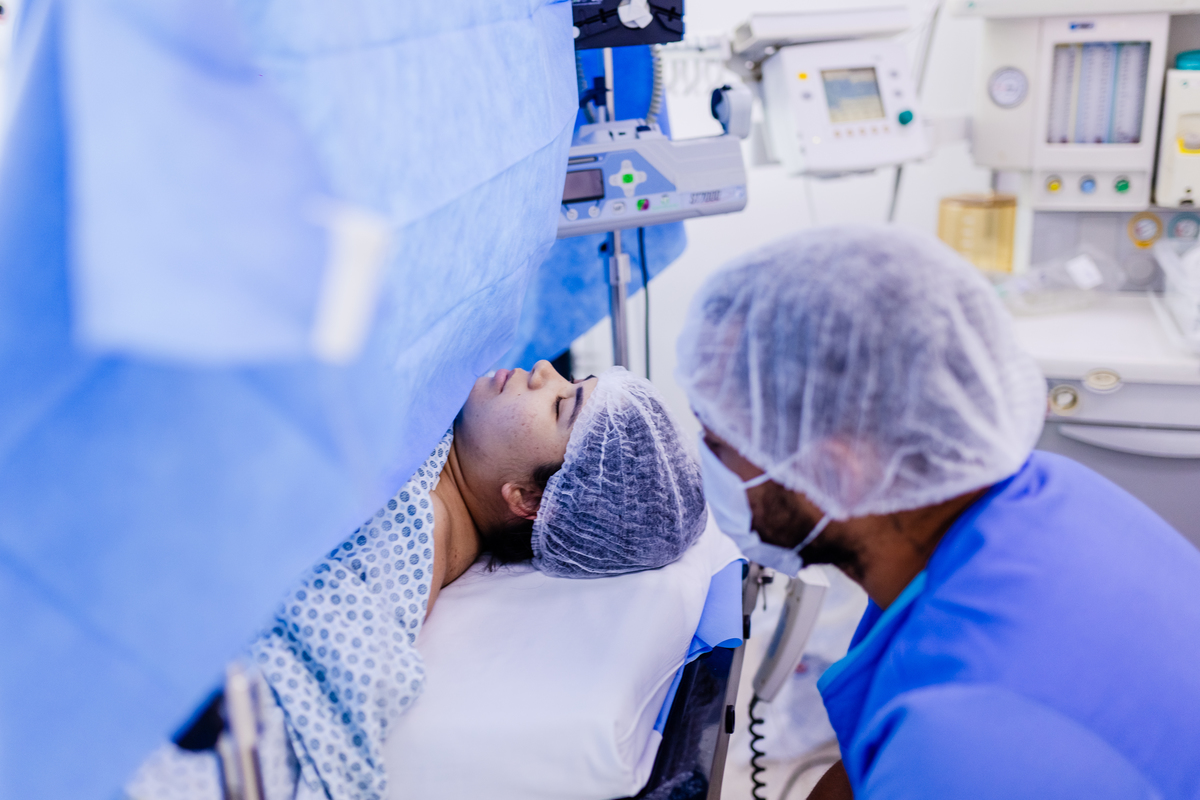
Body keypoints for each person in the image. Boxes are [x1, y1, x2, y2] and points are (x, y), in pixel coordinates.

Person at [675, 226, 1200, 800]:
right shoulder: (1040, 494)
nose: (706, 464)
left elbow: (942, 753)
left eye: (719, 442)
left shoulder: (965, 745)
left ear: (837, 467)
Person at [126, 362, 706, 800]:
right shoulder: (443, 454)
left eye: (560, 406)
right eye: (571, 380)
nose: (542, 371)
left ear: (529, 500)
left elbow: (323, 682)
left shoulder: (416, 532)